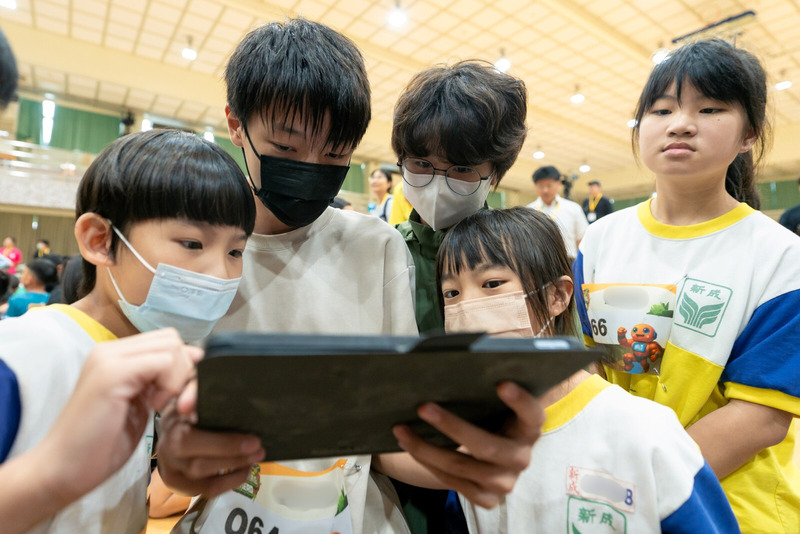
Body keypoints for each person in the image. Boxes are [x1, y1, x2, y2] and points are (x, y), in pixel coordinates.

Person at [157, 21, 545, 534]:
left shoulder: (376, 247)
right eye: (287, 148)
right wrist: (176, 466)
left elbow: (390, 434)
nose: (310, 167)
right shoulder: (189, 255)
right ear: (236, 124)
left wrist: (471, 461)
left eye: (336, 154)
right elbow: (168, 458)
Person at [574, 39, 800, 532]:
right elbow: (590, 367)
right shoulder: (601, 240)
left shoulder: (782, 258)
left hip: (729, 507)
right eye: (661, 110)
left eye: (710, 108)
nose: (680, 123)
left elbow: (762, 416)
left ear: (748, 134)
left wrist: (637, 484)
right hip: (611, 496)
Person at [0, 128, 258, 533]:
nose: (220, 274)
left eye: (235, 251)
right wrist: (53, 474)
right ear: (100, 240)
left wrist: (174, 473)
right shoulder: (21, 355)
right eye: (192, 243)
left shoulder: (154, 363)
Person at [436, 207, 740, 533]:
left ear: (557, 296)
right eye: (451, 293)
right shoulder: (473, 440)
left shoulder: (644, 433)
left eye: (492, 283)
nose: (466, 308)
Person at [393, 59, 527, 335]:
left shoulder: (521, 249)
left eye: (462, 169)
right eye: (421, 164)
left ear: (494, 176)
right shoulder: (385, 249)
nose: (438, 183)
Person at [526, 165, 588, 261]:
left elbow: (582, 238)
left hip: (568, 261)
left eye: (549, 185)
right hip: (538, 262)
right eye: (541, 186)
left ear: (559, 184)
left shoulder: (573, 208)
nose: (545, 190)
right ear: (535, 186)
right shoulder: (528, 211)